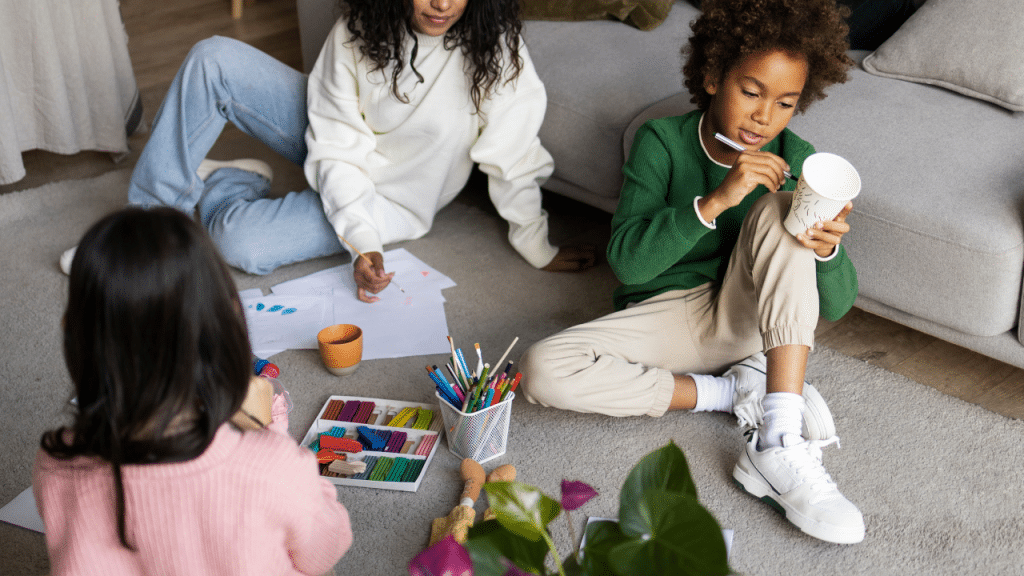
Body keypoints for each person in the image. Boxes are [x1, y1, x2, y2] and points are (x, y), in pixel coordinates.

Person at [519, 0, 865, 544]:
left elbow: (838, 305)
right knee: (540, 369)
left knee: (783, 205)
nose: (764, 116)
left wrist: (826, 251)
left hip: (747, 318)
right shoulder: (661, 141)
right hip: (667, 319)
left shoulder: (797, 157)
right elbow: (628, 265)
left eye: (785, 103)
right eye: (751, 92)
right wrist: (717, 200)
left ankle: (778, 436)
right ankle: (733, 392)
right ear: (712, 76)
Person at [60, 0, 595, 302]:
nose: (441, 3)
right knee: (213, 58)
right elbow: (337, 145)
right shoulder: (360, 29)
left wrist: (536, 244)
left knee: (241, 245)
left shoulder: (497, 51)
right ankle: (141, 232)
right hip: (336, 140)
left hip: (391, 196)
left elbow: (514, 155)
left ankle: (230, 180)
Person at [36, 208, 353, 574]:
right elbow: (327, 547)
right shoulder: (270, 466)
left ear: (74, 334)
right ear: (228, 320)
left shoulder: (55, 463)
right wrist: (271, 435)